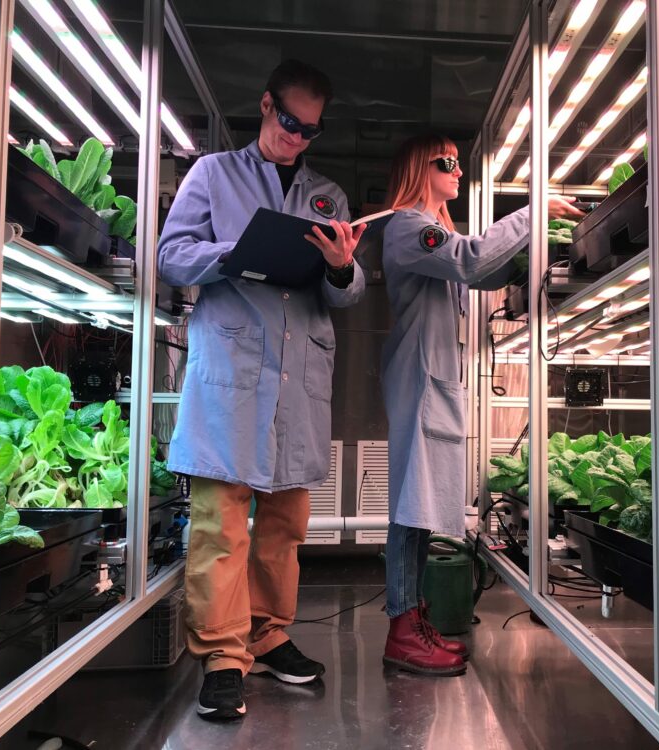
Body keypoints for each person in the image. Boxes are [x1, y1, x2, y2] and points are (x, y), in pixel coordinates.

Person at [157, 59, 365, 720]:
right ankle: (222, 655)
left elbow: (352, 292)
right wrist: (236, 251)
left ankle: (268, 634)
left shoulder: (328, 195)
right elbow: (171, 254)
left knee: (286, 524)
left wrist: (341, 267)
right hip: (234, 374)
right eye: (289, 122)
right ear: (266, 104)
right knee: (222, 521)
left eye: (310, 131)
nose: (297, 138)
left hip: (298, 380)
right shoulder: (212, 174)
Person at [379, 134, 583, 676]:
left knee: (419, 511)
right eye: (448, 162)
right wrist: (532, 211)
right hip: (418, 377)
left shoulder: (437, 231)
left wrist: (535, 249)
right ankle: (402, 628)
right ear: (419, 167)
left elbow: (482, 265)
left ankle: (412, 617)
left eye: (459, 163)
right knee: (408, 509)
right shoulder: (406, 226)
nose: (459, 173)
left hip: (431, 377)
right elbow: (470, 262)